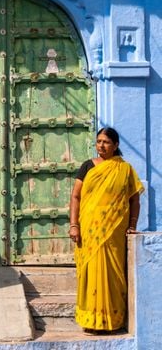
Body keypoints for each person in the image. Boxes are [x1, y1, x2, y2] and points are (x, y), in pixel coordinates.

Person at [69, 127, 144, 334]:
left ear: (116, 145)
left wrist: (132, 225)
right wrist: (74, 225)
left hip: (114, 233)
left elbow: (134, 198)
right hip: (89, 232)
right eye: (98, 141)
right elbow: (76, 196)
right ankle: (90, 320)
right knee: (90, 273)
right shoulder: (88, 166)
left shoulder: (125, 169)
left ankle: (112, 321)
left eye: (106, 142)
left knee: (113, 274)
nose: (101, 145)